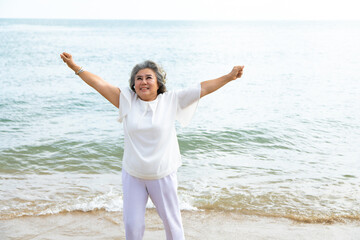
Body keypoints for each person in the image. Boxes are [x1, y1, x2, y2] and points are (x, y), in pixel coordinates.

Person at [60, 52, 244, 240]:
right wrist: (75, 67)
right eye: (138, 78)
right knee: (132, 226)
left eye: (149, 77)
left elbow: (202, 88)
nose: (143, 82)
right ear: (134, 84)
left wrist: (229, 77)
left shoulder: (171, 100)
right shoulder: (126, 100)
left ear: (158, 83)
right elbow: (98, 83)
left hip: (162, 175)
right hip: (133, 176)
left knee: (172, 226)